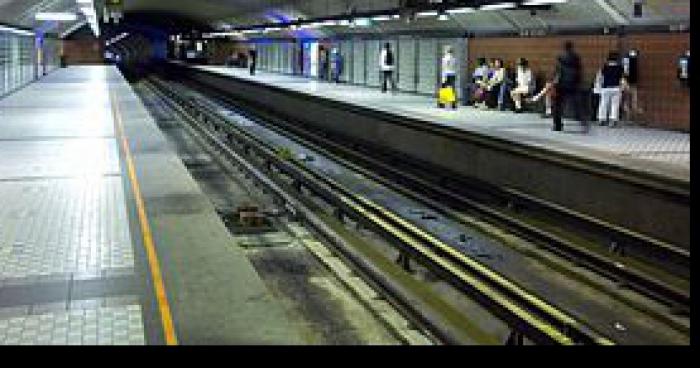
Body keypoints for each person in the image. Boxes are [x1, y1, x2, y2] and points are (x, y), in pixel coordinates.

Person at [552, 41, 587, 132]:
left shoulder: (560, 57)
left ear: (564, 48)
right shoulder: (576, 58)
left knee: (557, 106)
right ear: (572, 47)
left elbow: (557, 72)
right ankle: (583, 121)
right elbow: (580, 72)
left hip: (561, 84)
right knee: (577, 104)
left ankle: (557, 126)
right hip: (573, 84)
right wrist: (579, 82)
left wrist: (554, 83)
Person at [596, 52, 624, 127]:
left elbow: (599, 78)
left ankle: (601, 119)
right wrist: (623, 87)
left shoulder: (604, 67)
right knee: (615, 104)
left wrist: (598, 88)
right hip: (616, 88)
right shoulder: (620, 68)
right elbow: (622, 79)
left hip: (605, 88)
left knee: (603, 103)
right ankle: (613, 120)